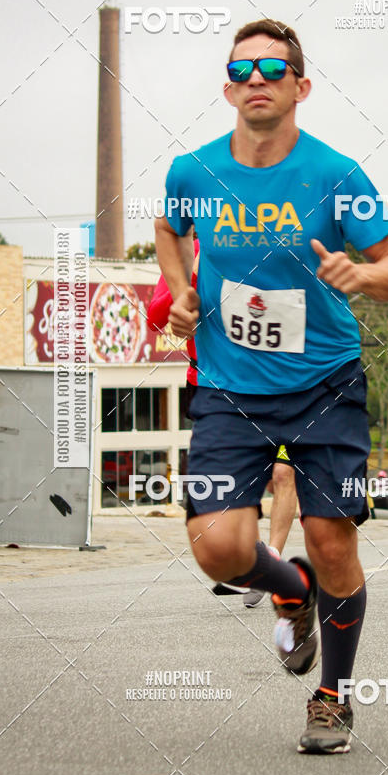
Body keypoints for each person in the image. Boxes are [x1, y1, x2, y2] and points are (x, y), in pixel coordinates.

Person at [155, 18, 388, 753]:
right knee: (217, 548)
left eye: (273, 69)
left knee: (331, 541)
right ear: (227, 90)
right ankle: (291, 590)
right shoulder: (193, 173)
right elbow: (169, 230)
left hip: (324, 383)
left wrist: (360, 273)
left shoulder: (336, 175)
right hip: (230, 388)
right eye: (242, 71)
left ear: (301, 87)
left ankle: (332, 698)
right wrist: (181, 290)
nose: (256, 80)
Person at [148, 251, 298, 608]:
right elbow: (155, 318)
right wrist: (191, 278)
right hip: (212, 387)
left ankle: (273, 555)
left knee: (283, 473)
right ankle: (254, 559)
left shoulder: (263, 247)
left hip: (278, 383)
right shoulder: (188, 256)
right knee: (229, 485)